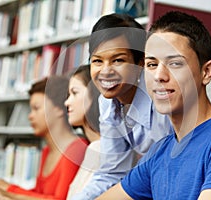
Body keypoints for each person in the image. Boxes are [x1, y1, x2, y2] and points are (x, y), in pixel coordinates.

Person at [96, 11, 211, 200]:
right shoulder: (159, 153)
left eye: (175, 63)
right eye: (152, 64)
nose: (159, 76)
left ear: (206, 72)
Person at [69, 13, 172, 199]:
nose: (106, 71)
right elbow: (112, 172)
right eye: (97, 61)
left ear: (140, 64)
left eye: (118, 60)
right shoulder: (107, 102)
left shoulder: (163, 98)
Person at [0, 76, 88, 200]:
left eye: (36, 108)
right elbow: (39, 195)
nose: (30, 116)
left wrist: (8, 189)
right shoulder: (47, 151)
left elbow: (60, 199)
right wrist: (3, 189)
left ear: (59, 109)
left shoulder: (76, 149)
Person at [64, 64, 101, 198]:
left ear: (94, 94)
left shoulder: (99, 148)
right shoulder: (93, 147)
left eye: (74, 93)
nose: (67, 102)